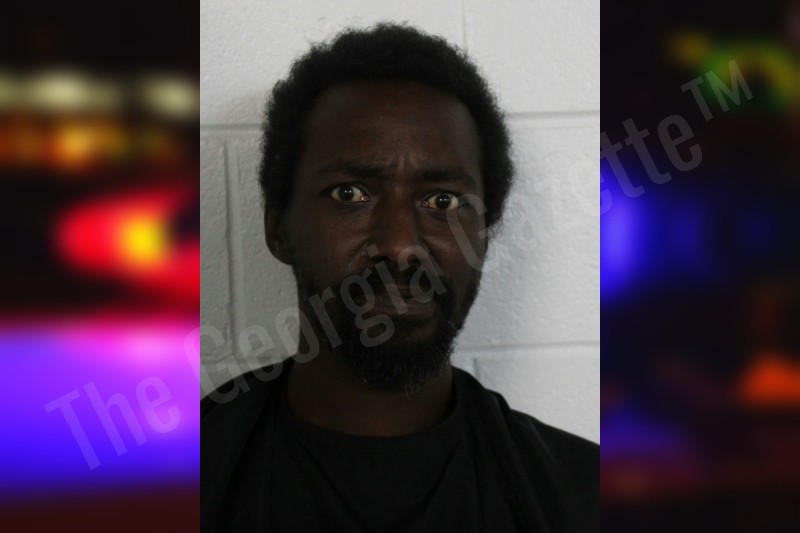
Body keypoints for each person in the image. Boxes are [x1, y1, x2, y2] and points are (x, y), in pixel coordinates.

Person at [201, 23, 598, 532]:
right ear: (278, 228)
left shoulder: (584, 496)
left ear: (484, 235)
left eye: (442, 201)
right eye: (350, 194)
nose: (400, 246)